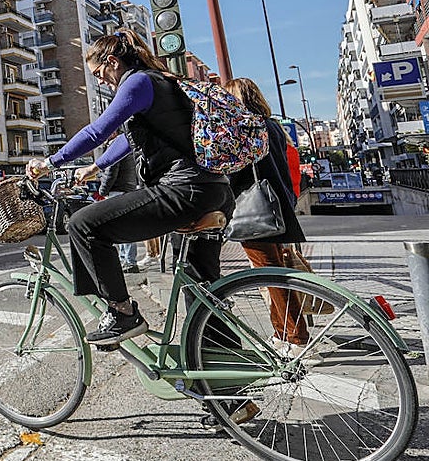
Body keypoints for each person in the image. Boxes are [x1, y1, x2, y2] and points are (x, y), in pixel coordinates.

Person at [25, 29, 234, 345]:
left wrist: (50, 163)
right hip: (213, 189)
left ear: (112, 62)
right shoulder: (161, 82)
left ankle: (122, 312)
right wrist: (95, 167)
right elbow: (126, 139)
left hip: (181, 189)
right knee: (202, 288)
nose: (101, 82)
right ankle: (223, 377)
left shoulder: (136, 82)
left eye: (99, 74)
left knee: (83, 224)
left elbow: (98, 132)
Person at [224, 77, 309, 355]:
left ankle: (295, 339)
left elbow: (237, 172)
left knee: (271, 275)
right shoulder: (272, 126)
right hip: (278, 205)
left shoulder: (246, 129)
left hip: (255, 210)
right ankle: (282, 333)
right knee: (274, 271)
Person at [86, 149, 146, 273]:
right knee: (124, 227)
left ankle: (128, 261)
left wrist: (102, 191)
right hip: (128, 188)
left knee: (121, 229)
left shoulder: (115, 148)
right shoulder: (127, 149)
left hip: (117, 190)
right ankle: (126, 260)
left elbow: (111, 171)